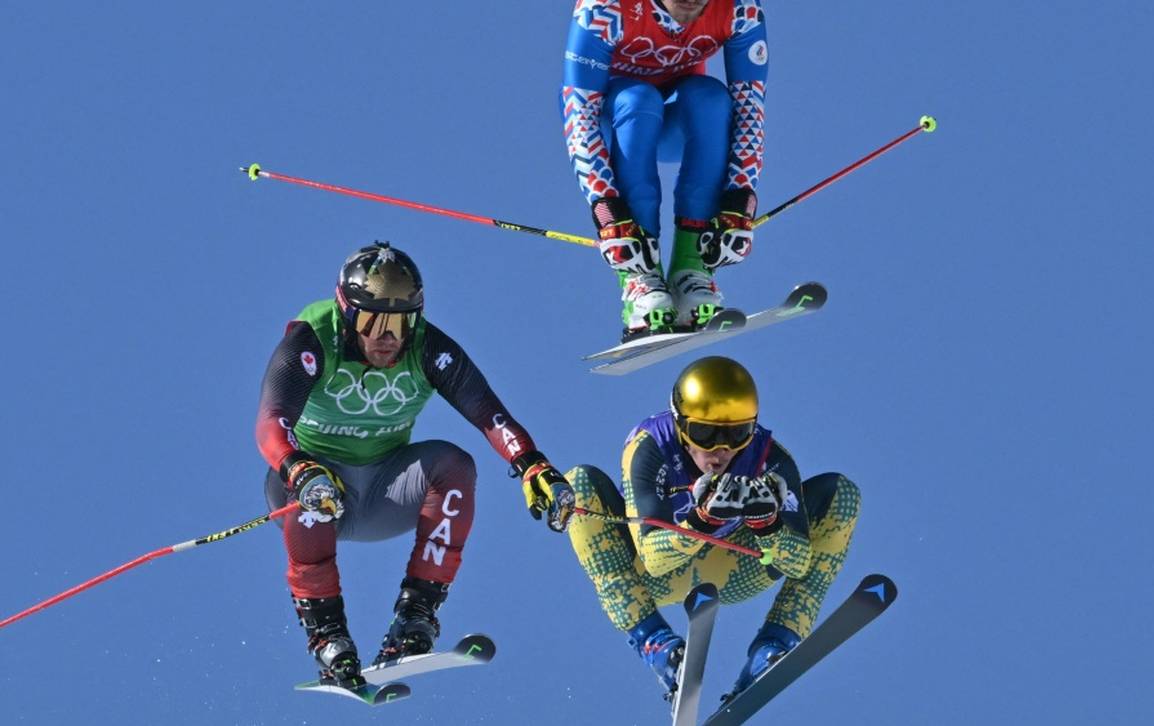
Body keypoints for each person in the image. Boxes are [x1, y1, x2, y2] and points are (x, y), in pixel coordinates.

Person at [255, 241, 574, 689]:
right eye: (372, 321)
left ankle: (415, 617)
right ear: (347, 315)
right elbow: (271, 423)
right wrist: (298, 469)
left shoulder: (427, 348)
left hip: (387, 489)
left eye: (401, 323)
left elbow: (490, 413)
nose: (388, 336)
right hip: (319, 492)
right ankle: (328, 636)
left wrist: (533, 465)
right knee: (304, 488)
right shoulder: (313, 339)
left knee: (455, 465)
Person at [563, 356, 861, 702]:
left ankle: (773, 646)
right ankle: (657, 645)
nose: (721, 451)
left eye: (738, 434)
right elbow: (653, 558)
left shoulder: (770, 458)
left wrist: (768, 524)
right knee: (578, 484)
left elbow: (797, 564)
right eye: (704, 433)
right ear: (680, 424)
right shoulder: (650, 447)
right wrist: (702, 520)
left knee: (842, 494)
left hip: (737, 571)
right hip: (655, 574)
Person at [561, 0, 769, 340]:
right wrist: (607, 212)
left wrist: (739, 199)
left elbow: (749, 108)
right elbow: (579, 113)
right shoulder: (605, 9)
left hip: (676, 123)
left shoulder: (738, 9)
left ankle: (692, 268)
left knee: (712, 99)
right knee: (638, 99)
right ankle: (640, 281)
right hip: (614, 120)